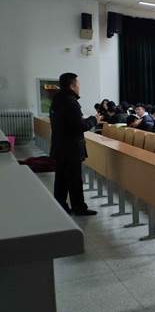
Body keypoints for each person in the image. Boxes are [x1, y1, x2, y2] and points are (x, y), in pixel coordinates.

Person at [50, 72, 101, 215]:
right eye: (78, 84)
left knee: (61, 179)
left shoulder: (57, 99)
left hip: (60, 146)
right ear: (72, 86)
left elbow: (69, 123)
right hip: (70, 148)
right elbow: (78, 127)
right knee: (74, 179)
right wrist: (94, 120)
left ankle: (60, 205)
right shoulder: (70, 102)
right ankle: (78, 207)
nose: (79, 87)